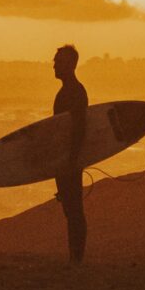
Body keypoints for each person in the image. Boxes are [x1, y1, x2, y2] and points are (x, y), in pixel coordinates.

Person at [52, 42, 89, 264]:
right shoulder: (65, 91)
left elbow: (79, 128)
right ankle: (75, 257)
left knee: (74, 209)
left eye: (58, 62)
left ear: (71, 65)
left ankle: (77, 258)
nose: (54, 66)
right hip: (64, 159)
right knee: (69, 207)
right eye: (55, 62)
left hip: (70, 160)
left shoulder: (75, 92)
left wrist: (72, 161)